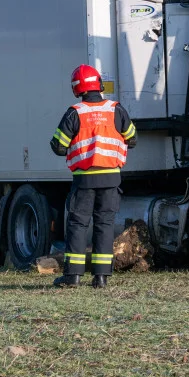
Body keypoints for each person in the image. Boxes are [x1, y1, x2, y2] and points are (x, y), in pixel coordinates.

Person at [50, 64, 137, 288]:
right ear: (98, 84)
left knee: (78, 225)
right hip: (111, 179)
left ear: (76, 88)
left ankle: (73, 277)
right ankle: (101, 278)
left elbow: (58, 146)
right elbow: (133, 139)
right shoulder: (116, 109)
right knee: (104, 225)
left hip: (84, 180)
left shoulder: (75, 113)